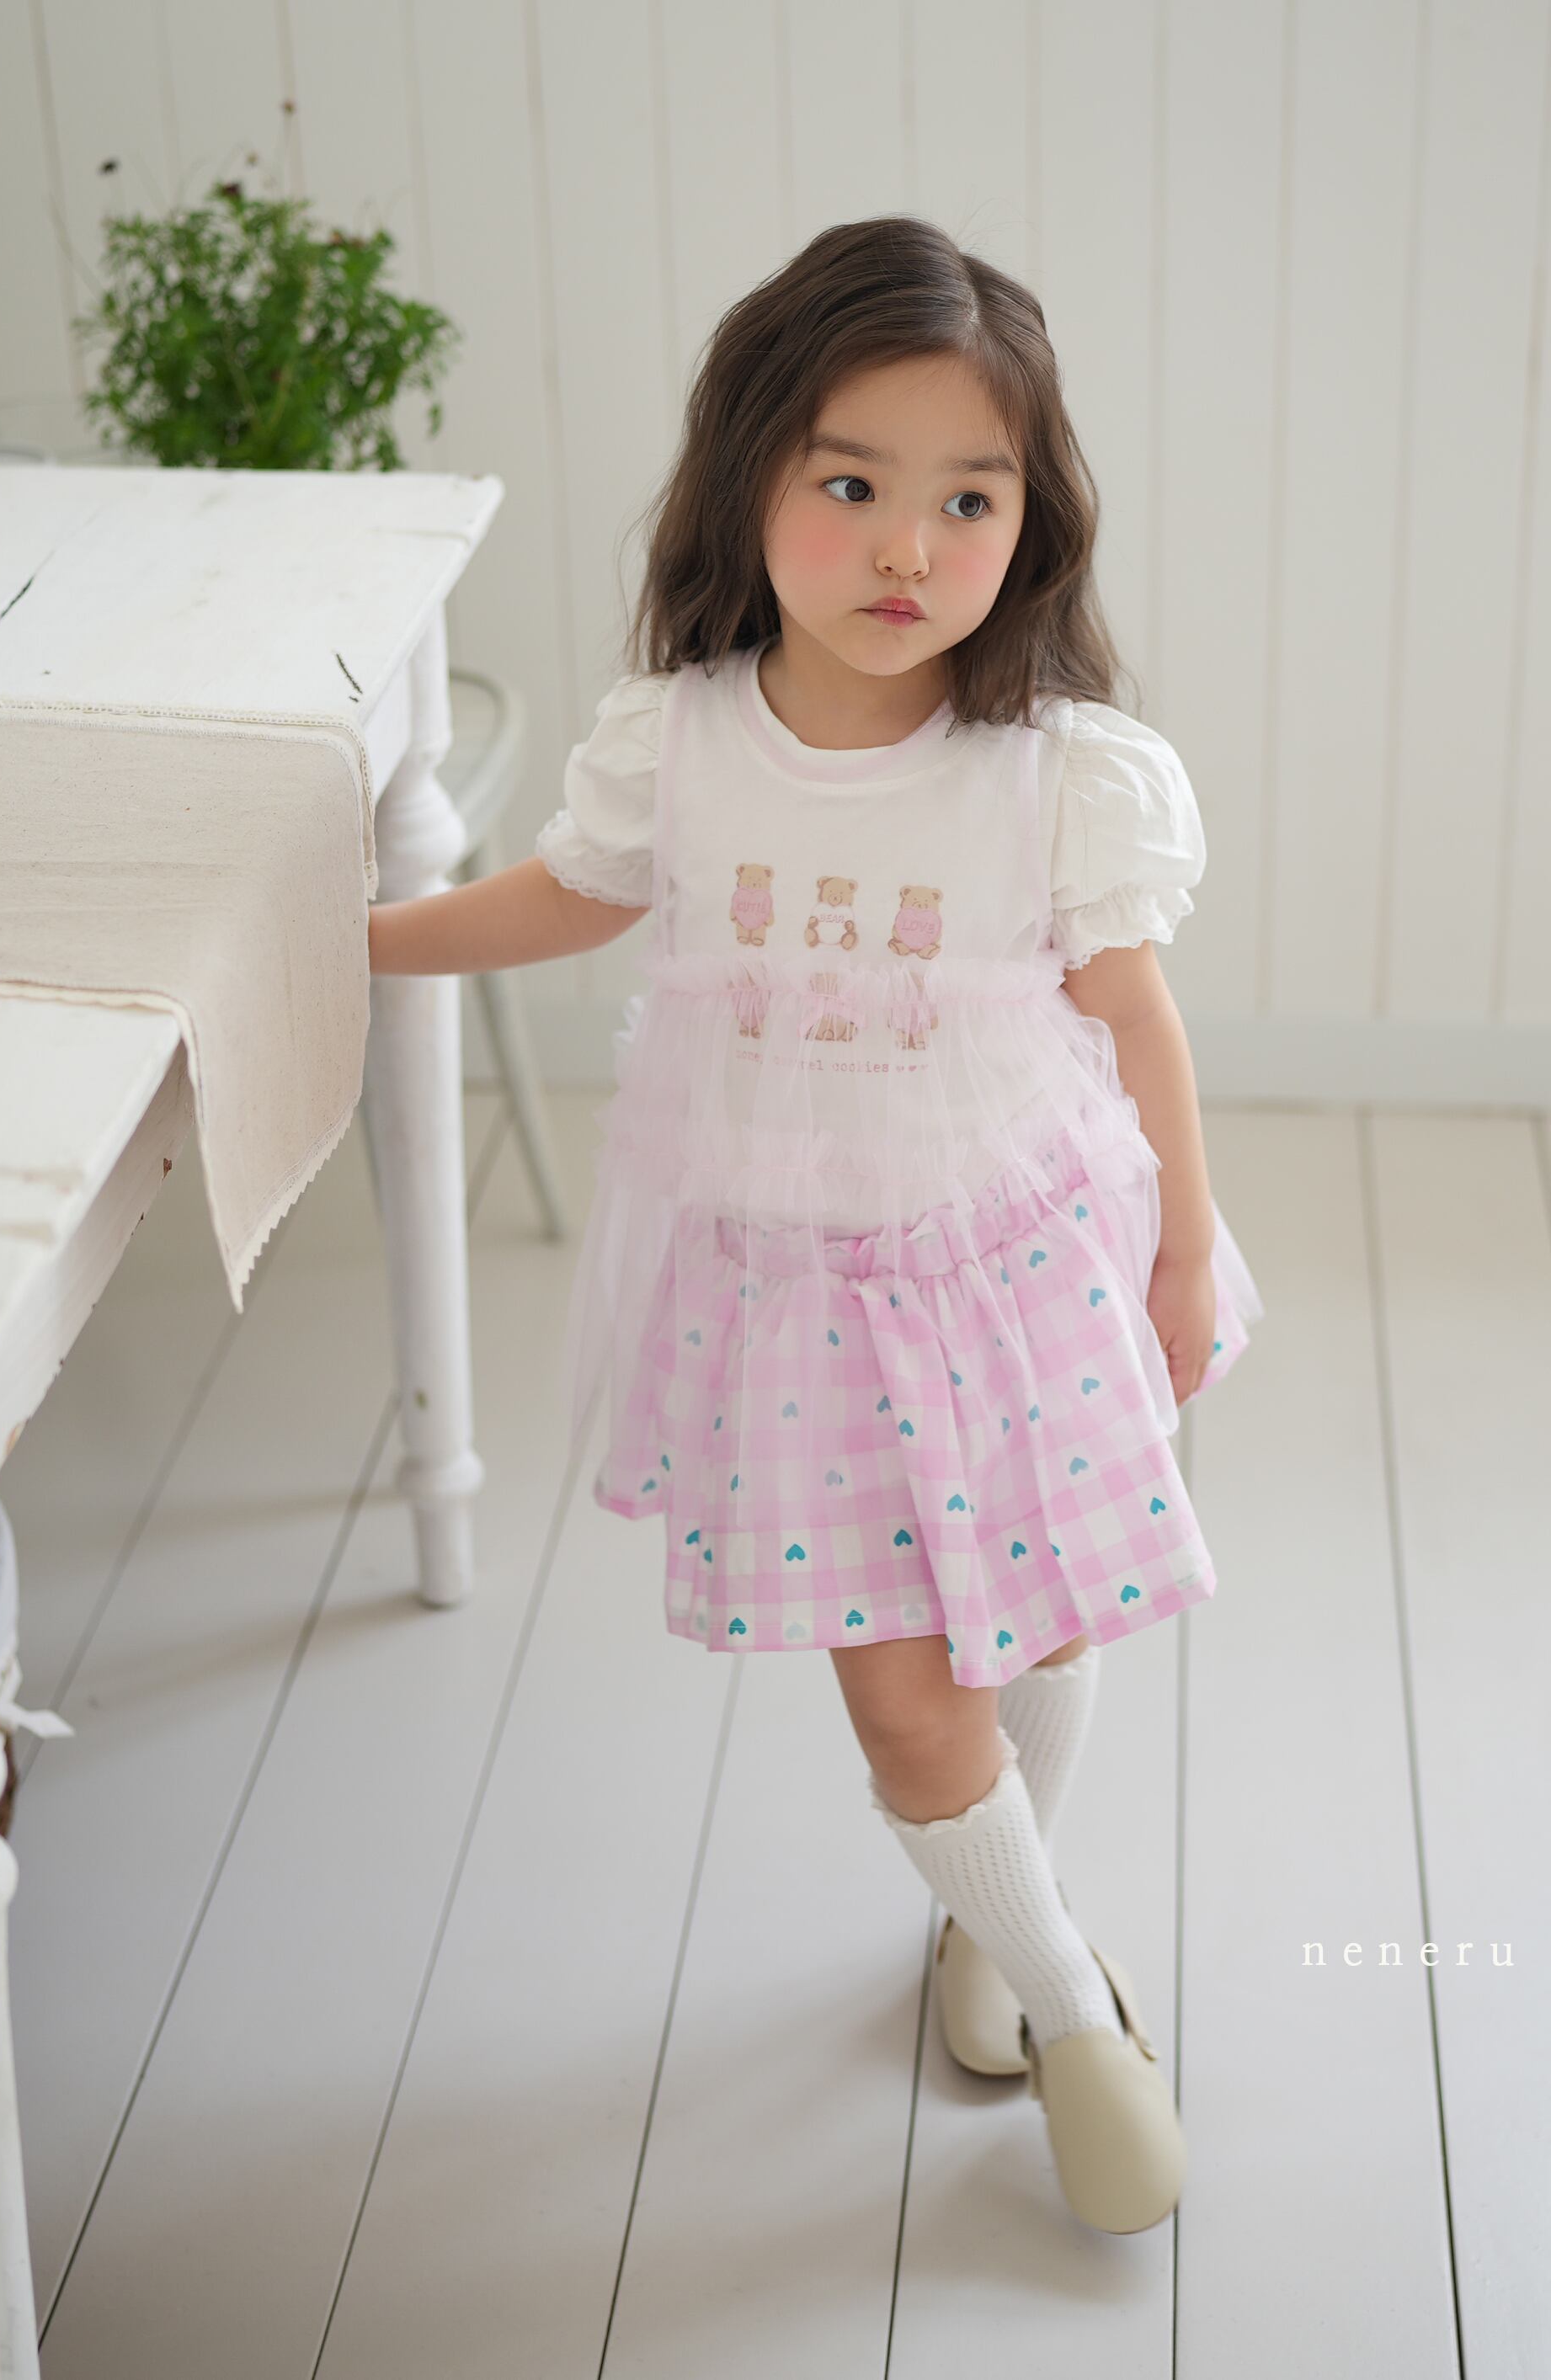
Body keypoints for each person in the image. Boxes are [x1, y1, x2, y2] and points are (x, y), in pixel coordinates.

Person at [368, 215, 1263, 2234]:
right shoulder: (682, 741)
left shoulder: (1051, 774)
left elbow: (1136, 1019)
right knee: (905, 1692)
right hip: (794, 1293)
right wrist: (358, 940)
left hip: (1016, 1254)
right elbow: (566, 895)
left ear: (1028, 523)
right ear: (752, 470)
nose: (904, 549)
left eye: (968, 500)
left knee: (1036, 1615)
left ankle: (993, 1919)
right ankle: (1073, 2008)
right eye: (850, 485)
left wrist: (1182, 1247)